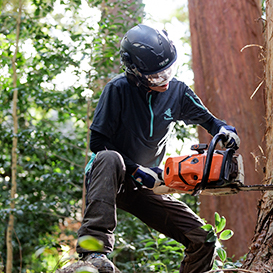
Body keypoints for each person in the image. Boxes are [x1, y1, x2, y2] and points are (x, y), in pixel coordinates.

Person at [76, 24, 240, 273]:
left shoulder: (178, 92)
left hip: (147, 184)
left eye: (168, 72)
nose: (164, 81)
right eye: (155, 77)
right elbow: (97, 143)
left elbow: (210, 121)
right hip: (109, 177)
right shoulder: (118, 90)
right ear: (135, 71)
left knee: (203, 239)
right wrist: (135, 169)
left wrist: (223, 129)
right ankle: (93, 254)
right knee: (109, 158)